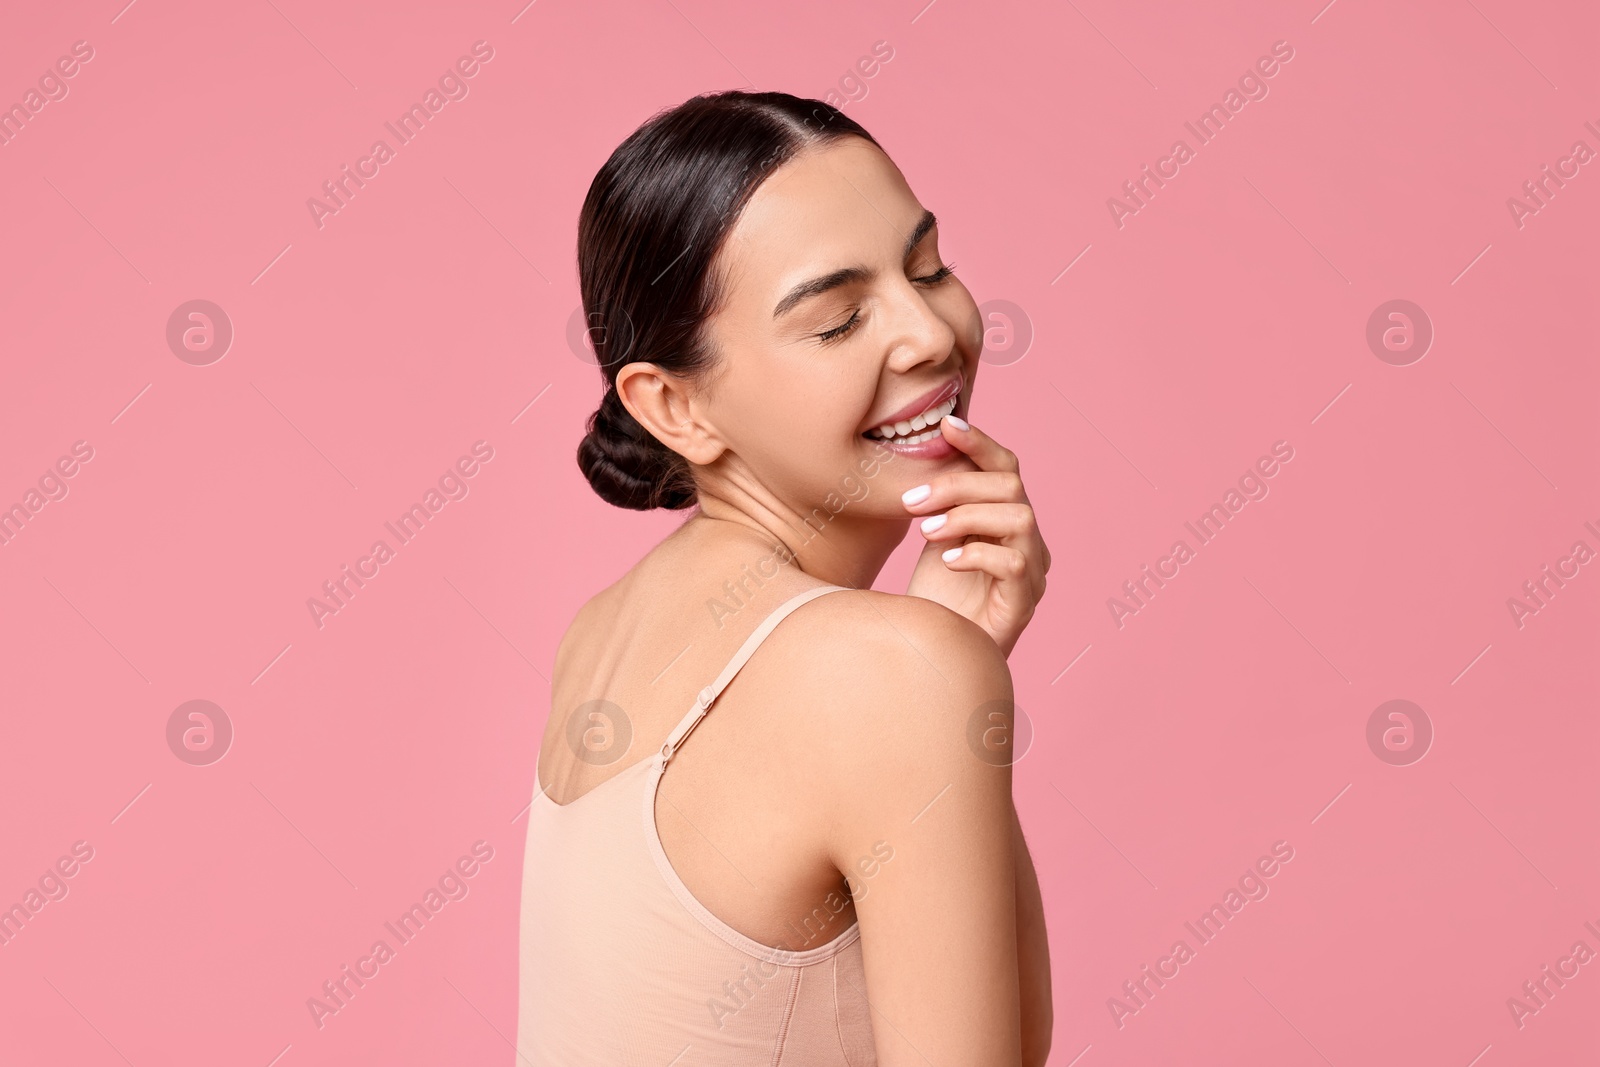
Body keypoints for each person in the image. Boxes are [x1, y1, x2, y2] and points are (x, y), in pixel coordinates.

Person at [518, 90, 1052, 1066]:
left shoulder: (601, 629)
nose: (929, 333)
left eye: (927, 267)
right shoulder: (891, 676)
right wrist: (942, 670)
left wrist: (952, 657)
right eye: (839, 320)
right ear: (674, 404)